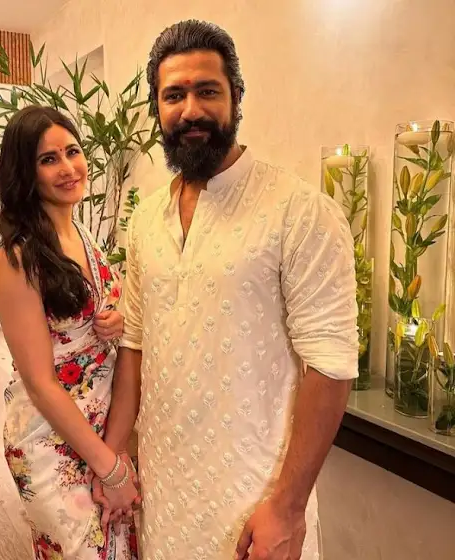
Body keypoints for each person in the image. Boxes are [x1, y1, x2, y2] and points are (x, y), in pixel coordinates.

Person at [101, 19, 358, 560]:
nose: (190, 109)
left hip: (255, 504)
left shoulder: (299, 210)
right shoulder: (145, 220)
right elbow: (135, 344)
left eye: (208, 91)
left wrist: (288, 506)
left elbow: (331, 365)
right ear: (156, 107)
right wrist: (117, 455)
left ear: (236, 97)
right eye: (174, 95)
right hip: (165, 492)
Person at [0, 105, 140, 559]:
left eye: (72, 151)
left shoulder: (83, 236)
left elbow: (106, 317)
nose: (68, 167)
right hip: (49, 436)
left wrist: (118, 321)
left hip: (104, 427)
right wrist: (110, 467)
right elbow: (39, 383)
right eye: (48, 159)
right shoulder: (16, 258)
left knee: (118, 547)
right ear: (25, 172)